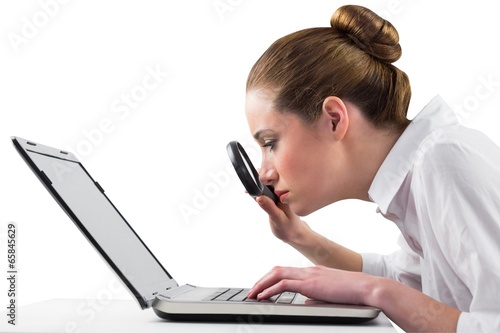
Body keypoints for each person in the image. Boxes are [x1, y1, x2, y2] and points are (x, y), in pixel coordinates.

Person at [243, 4, 500, 333]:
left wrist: (375, 293)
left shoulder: (444, 161)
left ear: (333, 119)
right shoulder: (420, 176)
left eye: (270, 142)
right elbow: (405, 280)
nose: (264, 173)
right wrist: (301, 238)